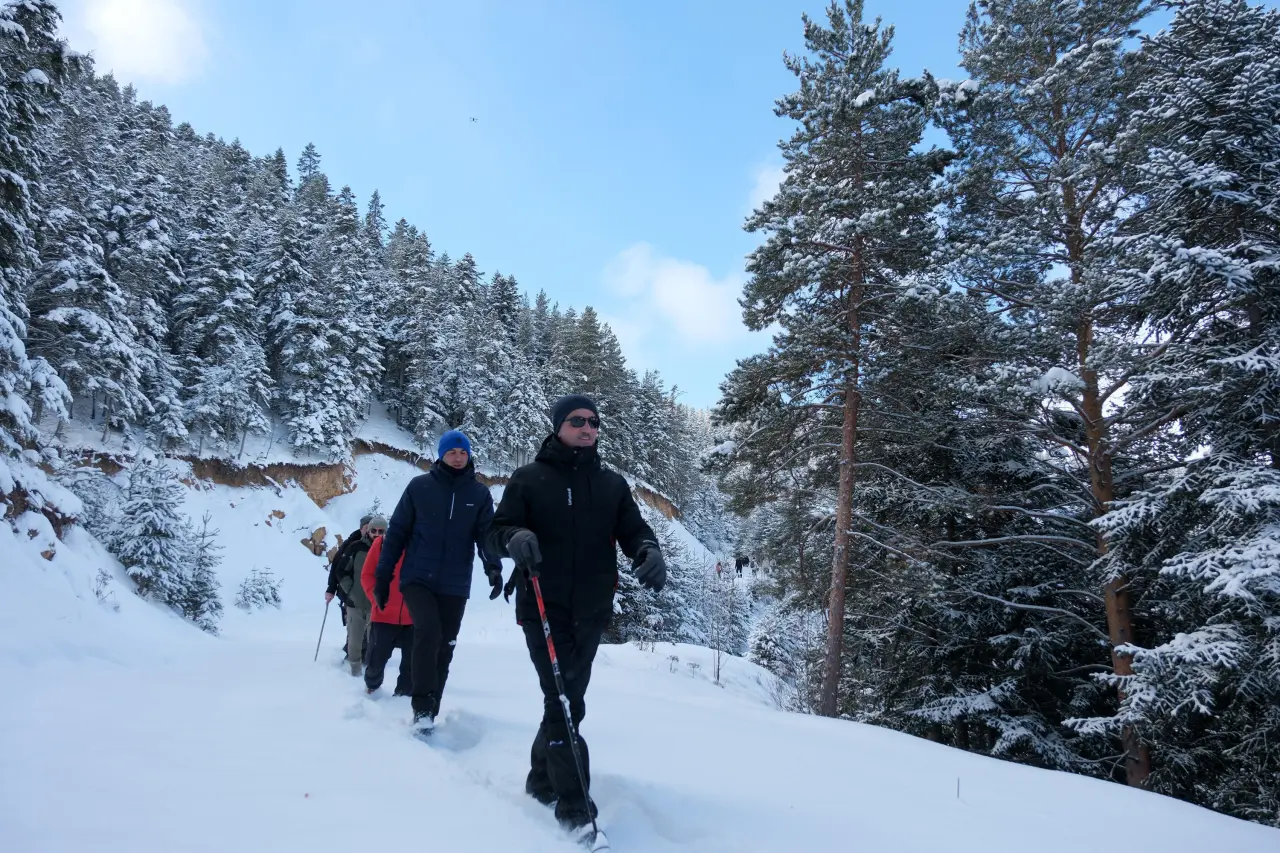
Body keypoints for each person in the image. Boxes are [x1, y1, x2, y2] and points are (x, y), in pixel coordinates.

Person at [488, 394, 667, 834]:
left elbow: (633, 529)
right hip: (541, 606)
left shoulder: (610, 484)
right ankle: (575, 808)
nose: (587, 428)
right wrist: (514, 537)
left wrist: (648, 548)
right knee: (565, 698)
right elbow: (495, 531)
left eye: (593, 422)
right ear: (558, 426)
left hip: (591, 608)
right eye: (577, 421)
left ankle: (539, 778)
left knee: (565, 697)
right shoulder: (529, 479)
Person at [373, 429, 504, 732]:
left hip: (455, 583)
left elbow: (485, 536)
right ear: (441, 455)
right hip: (418, 577)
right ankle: (420, 706)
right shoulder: (420, 487)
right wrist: (383, 575)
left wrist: (493, 568)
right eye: (451, 453)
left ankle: (432, 707)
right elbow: (396, 534)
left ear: (469, 455)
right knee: (428, 630)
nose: (458, 458)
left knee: (446, 645)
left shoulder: (479, 494)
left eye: (462, 453)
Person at [361, 530, 413, 696]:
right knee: (376, 661)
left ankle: (403, 697)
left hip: (414, 616)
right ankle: (372, 689)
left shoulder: (424, 542)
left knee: (412, 665)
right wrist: (376, 599)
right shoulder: (382, 543)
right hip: (384, 615)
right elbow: (367, 574)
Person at [332, 516, 383, 676]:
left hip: (377, 604)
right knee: (354, 639)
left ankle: (371, 671)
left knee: (374, 640)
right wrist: (351, 591)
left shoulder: (390, 549)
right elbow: (340, 570)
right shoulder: (355, 547)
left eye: (380, 531)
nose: (376, 534)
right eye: (373, 530)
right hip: (355, 602)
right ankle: (354, 669)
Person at [327, 514, 371, 644]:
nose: (369, 531)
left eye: (371, 528)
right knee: (354, 623)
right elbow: (337, 567)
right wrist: (331, 589)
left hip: (370, 592)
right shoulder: (350, 544)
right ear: (361, 528)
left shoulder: (380, 544)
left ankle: (366, 652)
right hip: (350, 591)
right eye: (366, 527)